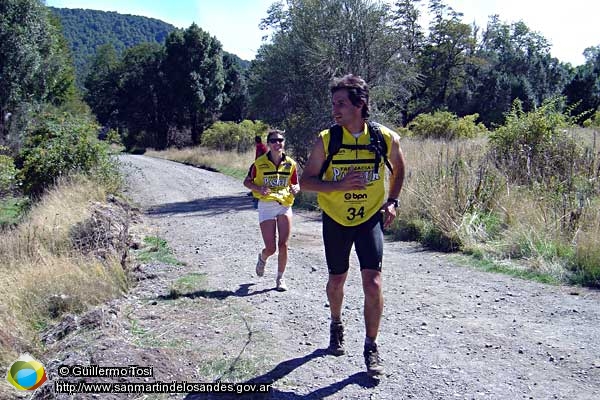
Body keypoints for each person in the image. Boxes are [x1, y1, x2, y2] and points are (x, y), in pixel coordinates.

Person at [299, 74, 406, 377]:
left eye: (342, 104)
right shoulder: (328, 140)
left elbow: (399, 169)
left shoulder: (384, 138)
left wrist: (393, 201)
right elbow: (306, 182)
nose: (336, 110)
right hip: (335, 220)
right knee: (337, 281)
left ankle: (371, 347)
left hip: (369, 218)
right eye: (334, 104)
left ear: (360, 104)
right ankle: (336, 323)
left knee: (373, 283)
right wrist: (339, 185)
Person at [244, 130, 300, 291]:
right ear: (268, 144)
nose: (277, 143)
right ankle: (262, 258)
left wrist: (296, 188)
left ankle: (280, 278)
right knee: (271, 248)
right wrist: (258, 188)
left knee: (283, 245)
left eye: (280, 140)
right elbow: (247, 182)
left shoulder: (291, 163)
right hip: (266, 205)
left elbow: (295, 184)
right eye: (274, 141)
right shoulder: (259, 163)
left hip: (284, 204)